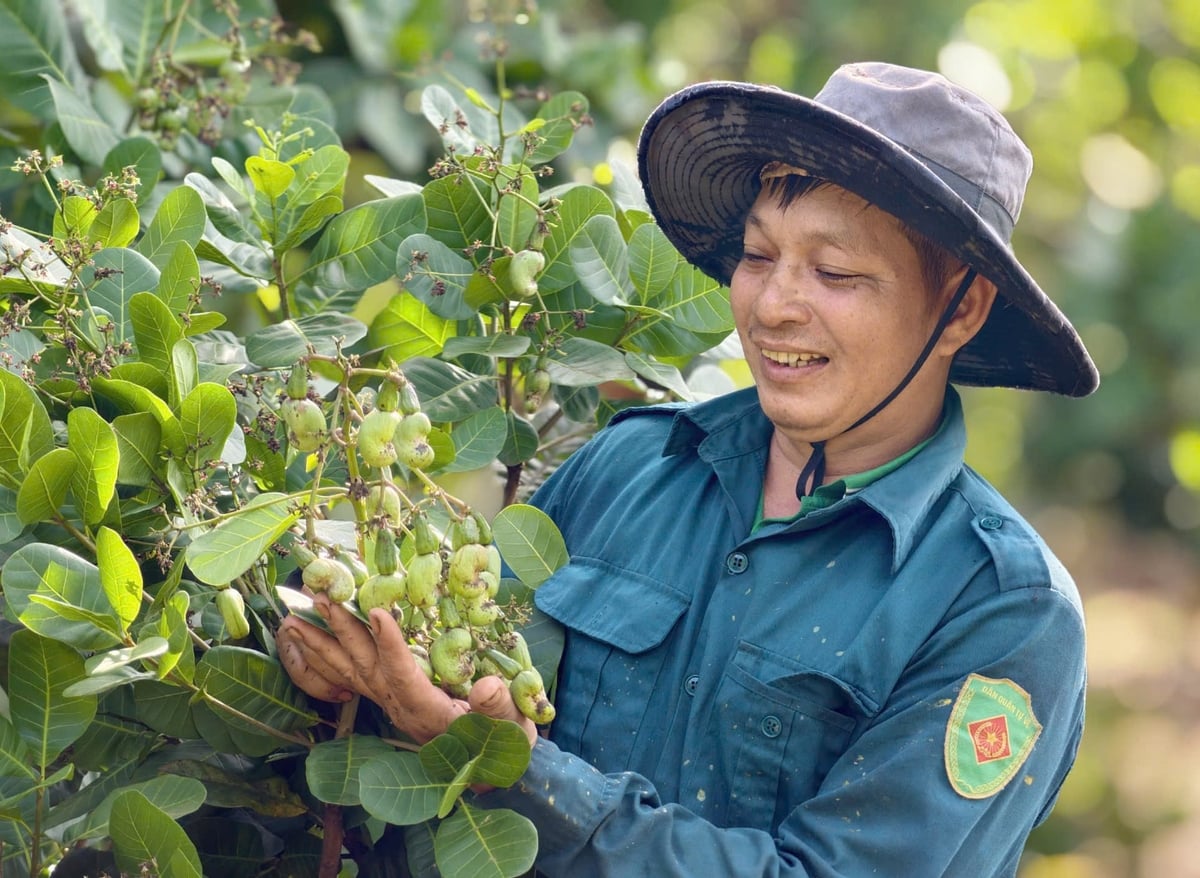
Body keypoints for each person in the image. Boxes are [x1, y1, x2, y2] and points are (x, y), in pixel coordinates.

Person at [278, 61, 1099, 876]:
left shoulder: (1002, 610)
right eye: (756, 255)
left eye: (835, 272)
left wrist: (518, 772)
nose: (773, 306)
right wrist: (352, 682)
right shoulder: (627, 465)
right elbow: (455, 688)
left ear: (962, 306)